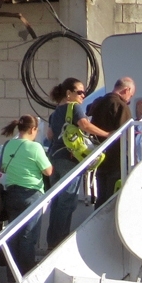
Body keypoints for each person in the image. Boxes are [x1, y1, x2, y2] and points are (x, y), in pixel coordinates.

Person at [45, 80, 108, 250]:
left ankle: (52, 241)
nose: (83, 96)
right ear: (68, 93)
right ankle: (58, 243)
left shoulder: (55, 113)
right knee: (67, 202)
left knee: (57, 202)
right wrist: (107, 134)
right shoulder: (74, 108)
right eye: (80, 92)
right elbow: (85, 125)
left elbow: (50, 135)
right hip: (69, 160)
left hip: (54, 159)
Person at [1, 115, 53, 274]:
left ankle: (12, 275)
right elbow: (48, 171)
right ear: (33, 129)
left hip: (11, 194)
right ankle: (26, 273)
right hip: (31, 194)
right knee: (28, 235)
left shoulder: (8, 145)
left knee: (14, 234)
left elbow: (3, 168)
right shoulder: (35, 147)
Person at [89, 76, 135, 205]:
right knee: (112, 200)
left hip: (99, 158)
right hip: (116, 161)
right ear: (126, 90)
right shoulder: (120, 106)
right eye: (131, 95)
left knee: (101, 198)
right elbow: (126, 134)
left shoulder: (97, 103)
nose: (129, 99)